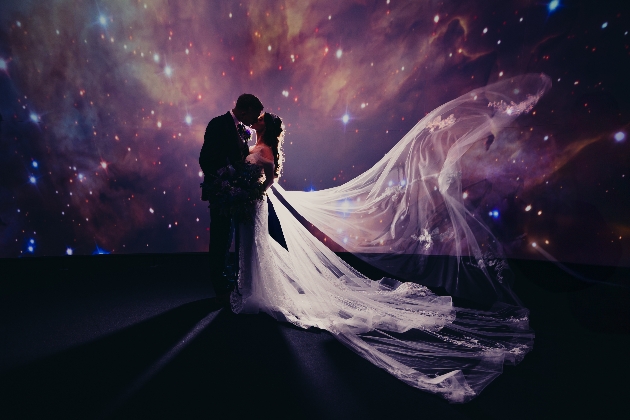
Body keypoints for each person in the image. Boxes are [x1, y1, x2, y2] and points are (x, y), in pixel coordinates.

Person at [231, 74, 552, 403]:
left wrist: (250, 187)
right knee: (254, 248)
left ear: (263, 127)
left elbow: (267, 181)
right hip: (251, 203)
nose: (252, 127)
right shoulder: (256, 145)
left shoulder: (266, 149)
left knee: (256, 247)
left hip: (255, 201)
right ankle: (251, 289)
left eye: (255, 123)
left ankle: (254, 291)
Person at [199, 94, 264, 304]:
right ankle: (220, 288)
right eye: (254, 115)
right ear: (244, 110)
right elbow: (206, 159)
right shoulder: (218, 124)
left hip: (235, 195)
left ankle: (228, 283)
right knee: (220, 239)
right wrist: (223, 181)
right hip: (222, 194)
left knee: (228, 238)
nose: (254, 122)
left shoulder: (242, 130)